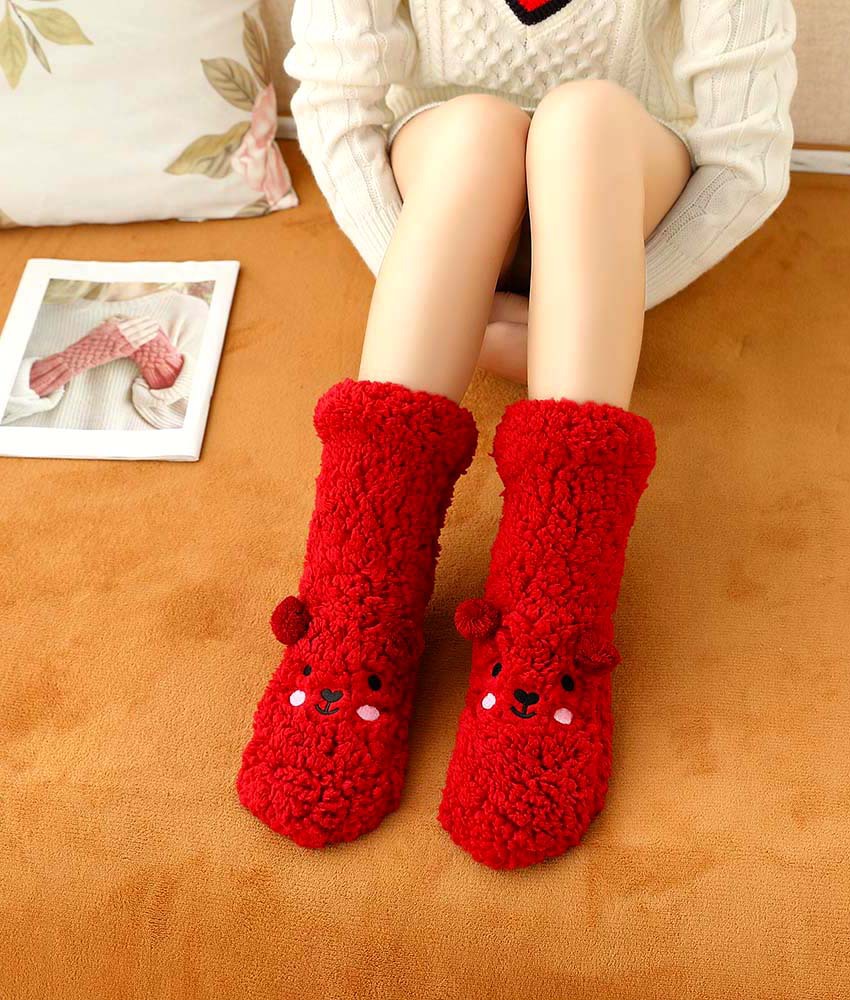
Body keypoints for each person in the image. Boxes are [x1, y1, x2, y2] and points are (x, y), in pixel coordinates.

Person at [237, 0, 797, 868]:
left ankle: (554, 615)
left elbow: (745, 157)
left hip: (622, 194)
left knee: (584, 117)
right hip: (447, 195)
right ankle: (355, 604)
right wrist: (438, 294)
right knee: (477, 130)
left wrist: (607, 304)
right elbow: (341, 107)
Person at [3, 281, 205, 431]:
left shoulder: (188, 311)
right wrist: (74, 358)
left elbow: (189, 422)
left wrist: (160, 360)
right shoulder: (32, 301)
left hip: (126, 466)